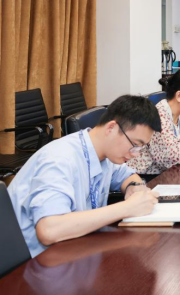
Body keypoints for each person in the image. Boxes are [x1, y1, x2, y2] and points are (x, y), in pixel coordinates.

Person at [8, 95, 162, 257]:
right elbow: (49, 230)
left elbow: (127, 175)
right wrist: (127, 208)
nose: (135, 154)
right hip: (33, 262)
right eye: (135, 145)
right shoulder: (59, 159)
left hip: (74, 250)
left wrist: (134, 187)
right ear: (111, 128)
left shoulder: (106, 153)